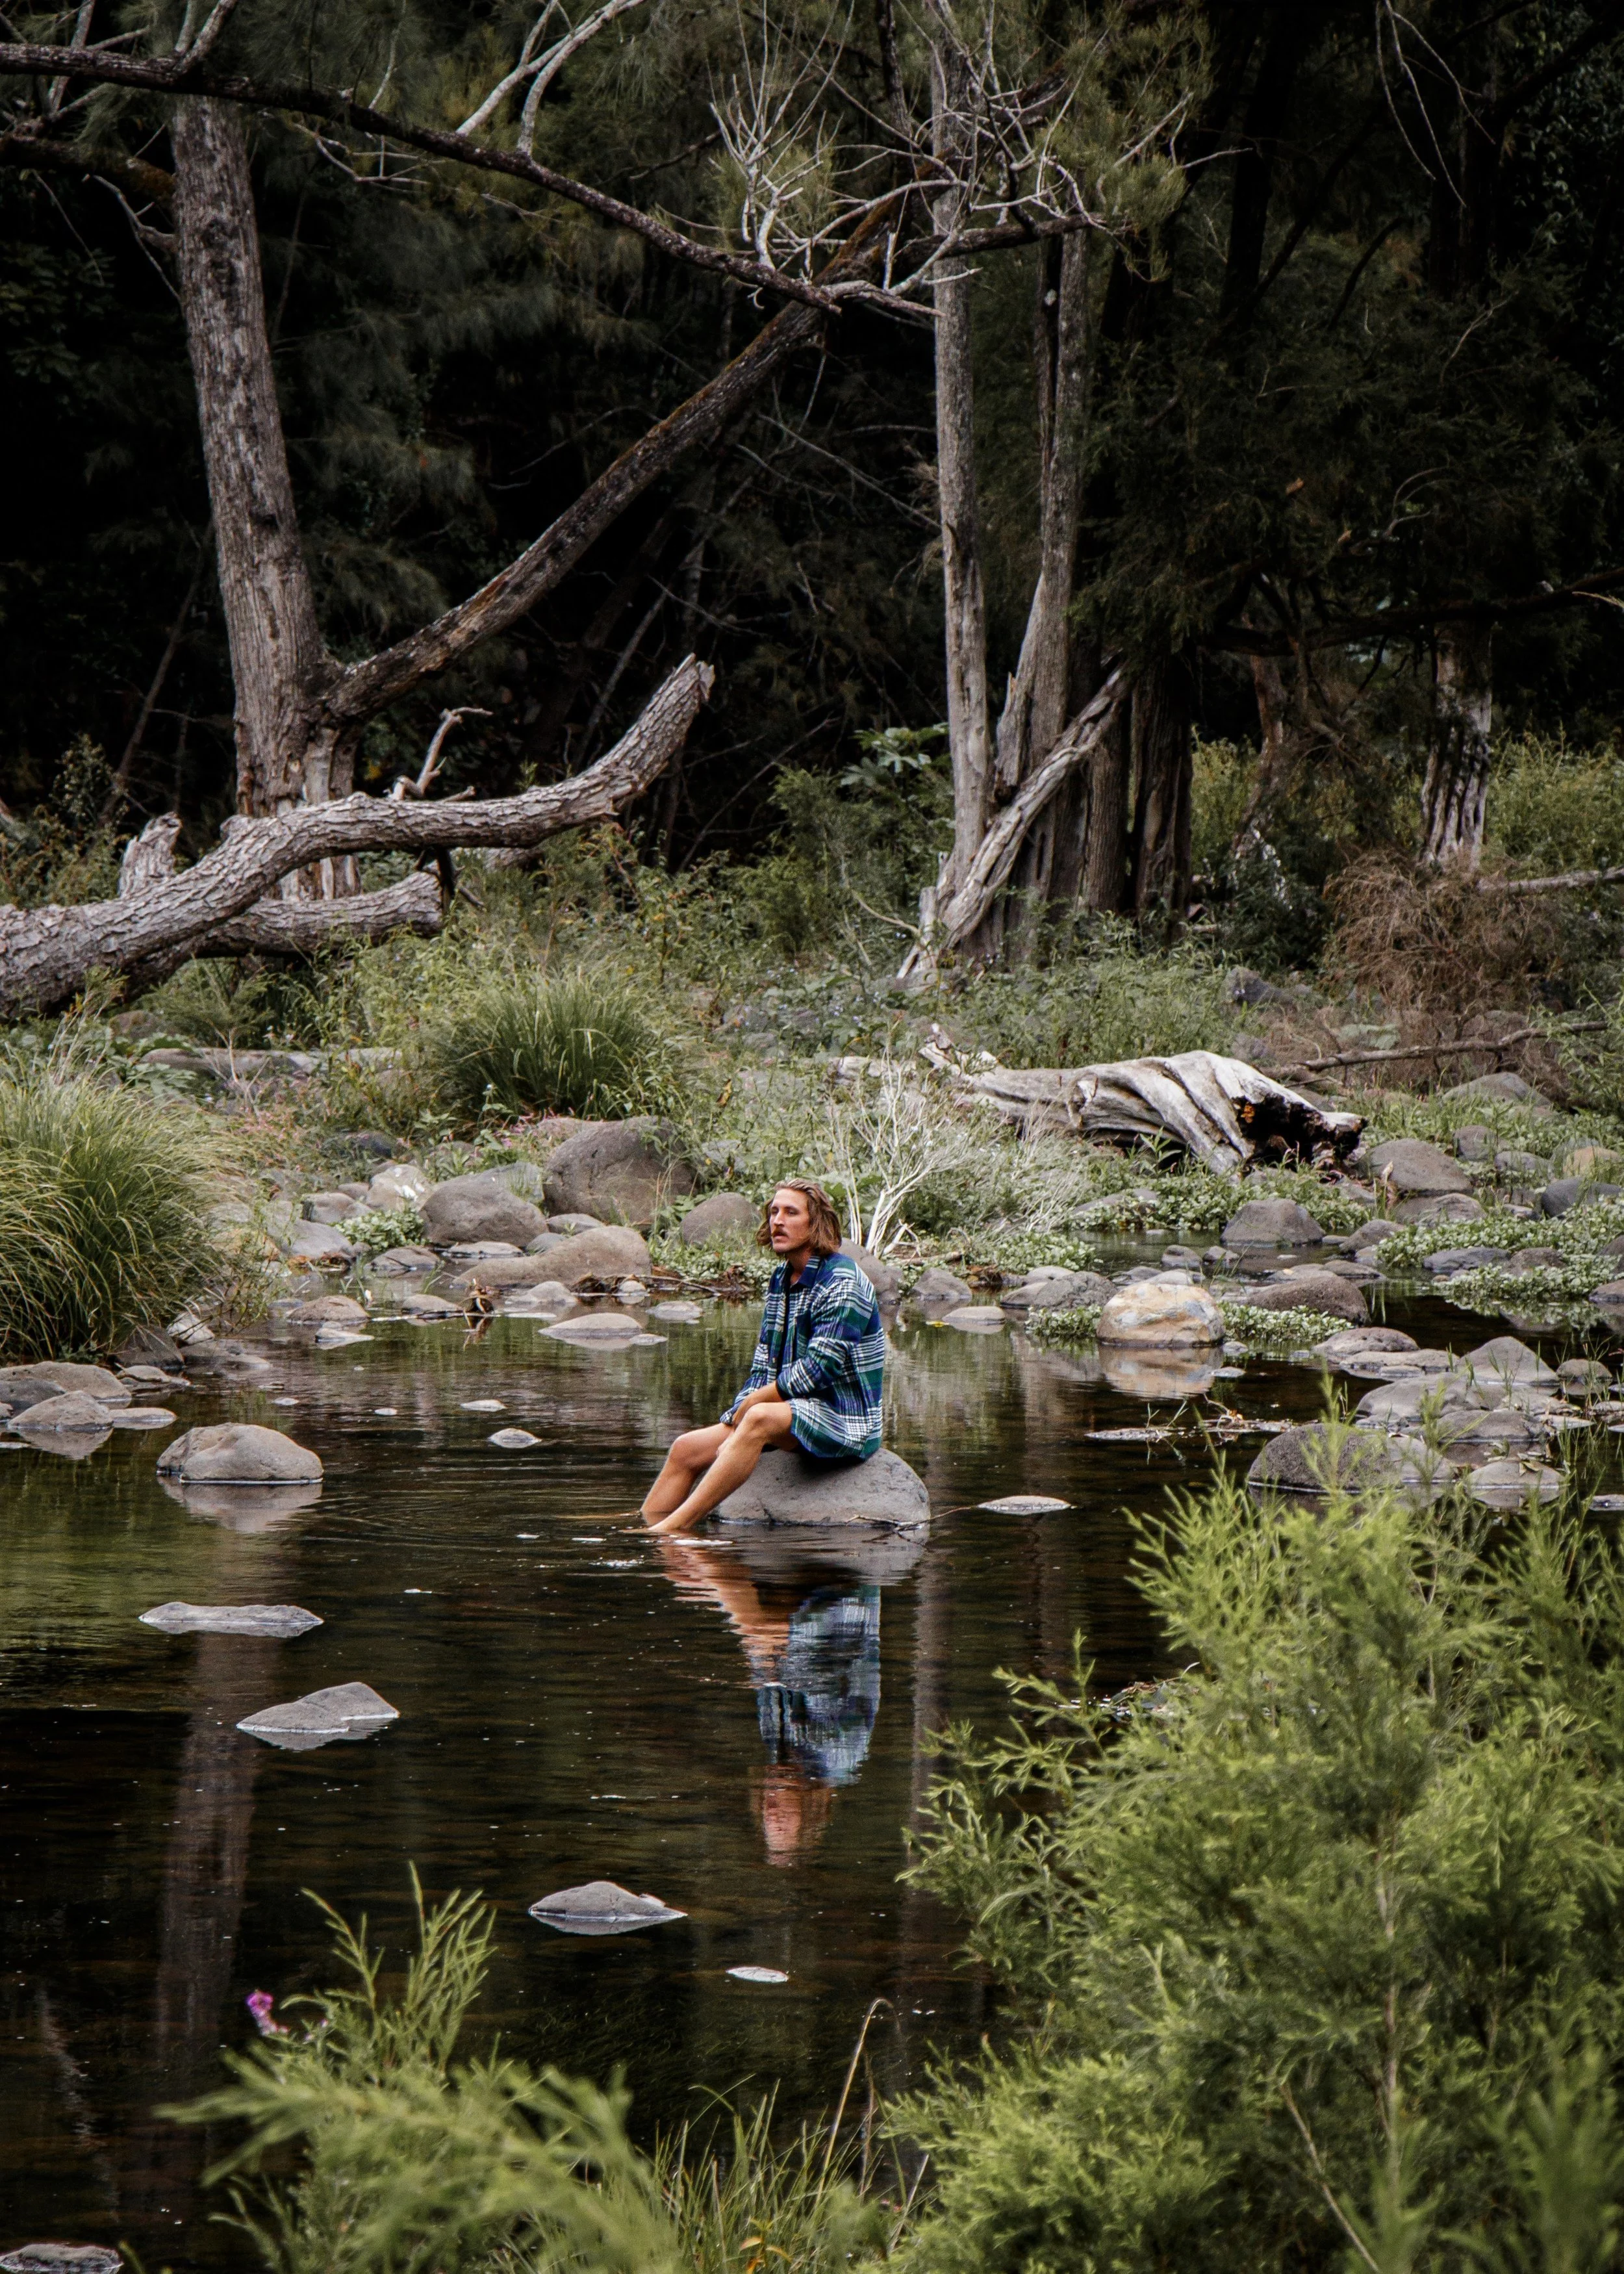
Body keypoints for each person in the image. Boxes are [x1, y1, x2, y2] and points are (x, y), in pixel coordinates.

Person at [641, 1177, 884, 1537]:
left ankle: (672, 1529)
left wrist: (752, 1410)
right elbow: (763, 1364)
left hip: (845, 1419)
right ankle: (641, 1525)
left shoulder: (843, 1281)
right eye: (773, 1212)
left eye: (790, 1212)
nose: (777, 1221)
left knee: (757, 1416)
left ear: (816, 1223)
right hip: (789, 1414)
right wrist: (738, 1422)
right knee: (685, 1449)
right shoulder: (781, 1280)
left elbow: (821, 1369)